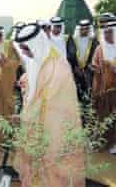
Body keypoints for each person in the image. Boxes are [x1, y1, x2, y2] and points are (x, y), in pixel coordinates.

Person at [13, 23, 85, 187]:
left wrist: (24, 116)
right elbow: (34, 78)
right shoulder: (36, 59)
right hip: (34, 124)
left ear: (36, 44)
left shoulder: (59, 66)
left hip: (55, 128)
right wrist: (25, 83)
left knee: (53, 166)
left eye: (26, 48)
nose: (23, 52)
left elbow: (46, 100)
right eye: (22, 48)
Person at [91, 20, 116, 154]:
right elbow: (93, 64)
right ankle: (104, 143)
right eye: (105, 33)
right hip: (103, 91)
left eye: (110, 33)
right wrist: (97, 68)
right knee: (103, 117)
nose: (107, 36)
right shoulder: (100, 48)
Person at [69, 19, 99, 104]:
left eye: (86, 28)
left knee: (89, 90)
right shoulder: (72, 40)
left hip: (89, 70)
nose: (84, 30)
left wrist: (89, 66)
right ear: (79, 29)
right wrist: (75, 66)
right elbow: (70, 54)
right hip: (76, 70)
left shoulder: (93, 41)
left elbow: (95, 54)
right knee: (77, 91)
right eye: (82, 28)